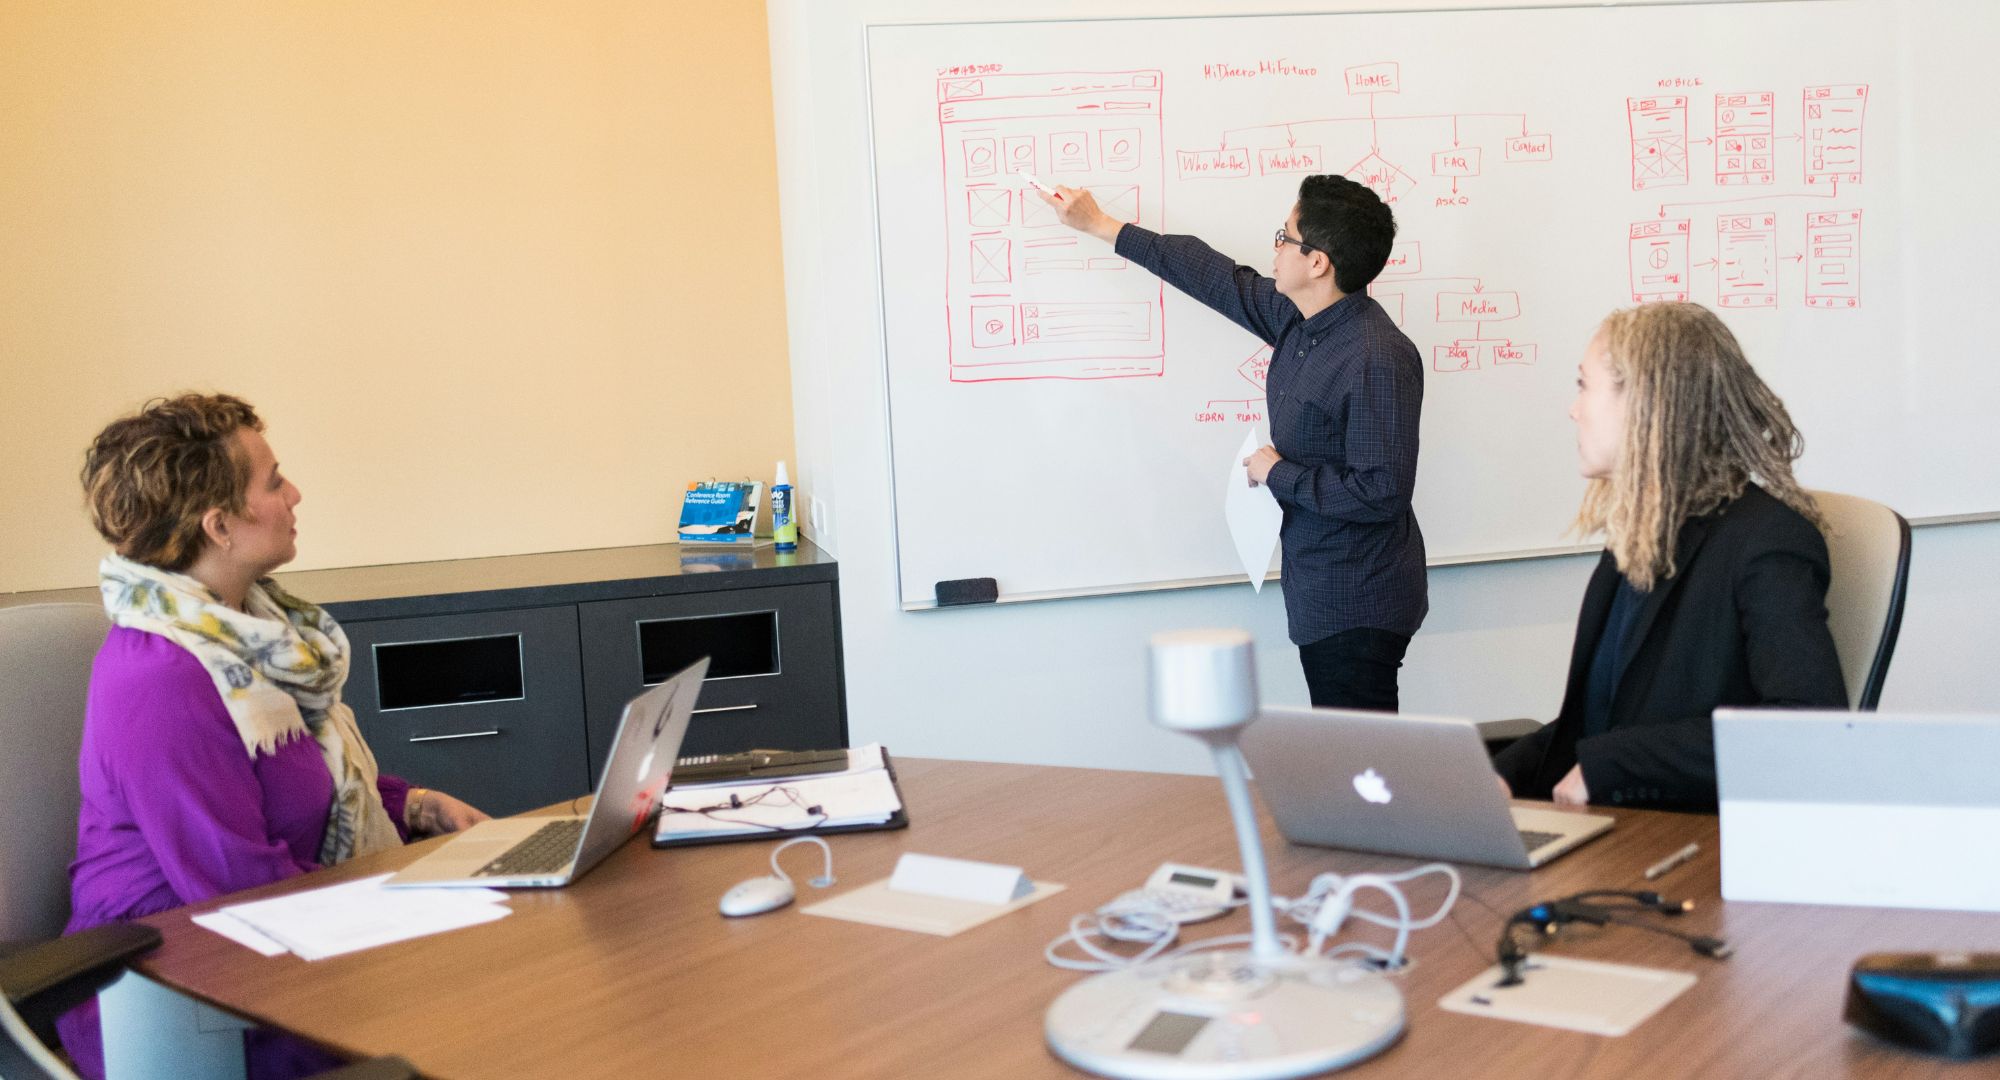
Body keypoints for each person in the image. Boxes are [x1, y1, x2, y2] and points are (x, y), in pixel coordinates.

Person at [59, 393, 490, 1079]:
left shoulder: (252, 636)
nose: (295, 493)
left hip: (278, 935)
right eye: (273, 480)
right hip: (181, 982)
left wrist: (412, 804)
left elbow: (301, 779)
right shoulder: (159, 679)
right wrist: (417, 903)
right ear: (220, 525)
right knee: (477, 1020)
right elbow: (236, 887)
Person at [1039, 175, 1426, 711]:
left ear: (1318, 262)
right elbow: (1214, 276)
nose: (1275, 248)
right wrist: (1102, 225)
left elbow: (1381, 492)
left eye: (1284, 237)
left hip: (1359, 599)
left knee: (1361, 765)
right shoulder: (1302, 319)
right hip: (1321, 586)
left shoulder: (1375, 355)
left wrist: (1277, 473)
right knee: (1346, 757)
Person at [1492, 303, 1848, 811]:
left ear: (1645, 403)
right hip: (1626, 826)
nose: (1574, 409)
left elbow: (1808, 729)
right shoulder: (1640, 534)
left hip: (1694, 841)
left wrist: (1613, 766)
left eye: (1583, 385)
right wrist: (1501, 775)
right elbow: (1598, 719)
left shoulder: (1766, 542)